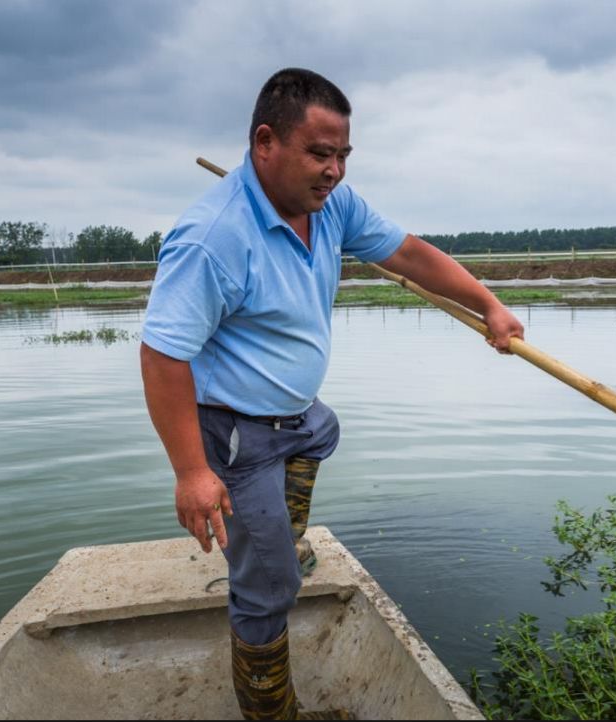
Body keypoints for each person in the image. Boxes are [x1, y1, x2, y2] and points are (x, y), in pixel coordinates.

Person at [140, 67, 523, 720]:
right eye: (321, 153)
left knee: (322, 428)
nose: (335, 170)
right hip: (233, 431)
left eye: (343, 154)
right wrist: (191, 472)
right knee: (269, 587)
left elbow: (408, 254)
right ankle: (273, 711)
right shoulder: (213, 239)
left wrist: (487, 303)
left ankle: (278, 535)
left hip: (293, 419)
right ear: (266, 143)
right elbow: (162, 354)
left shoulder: (332, 206)